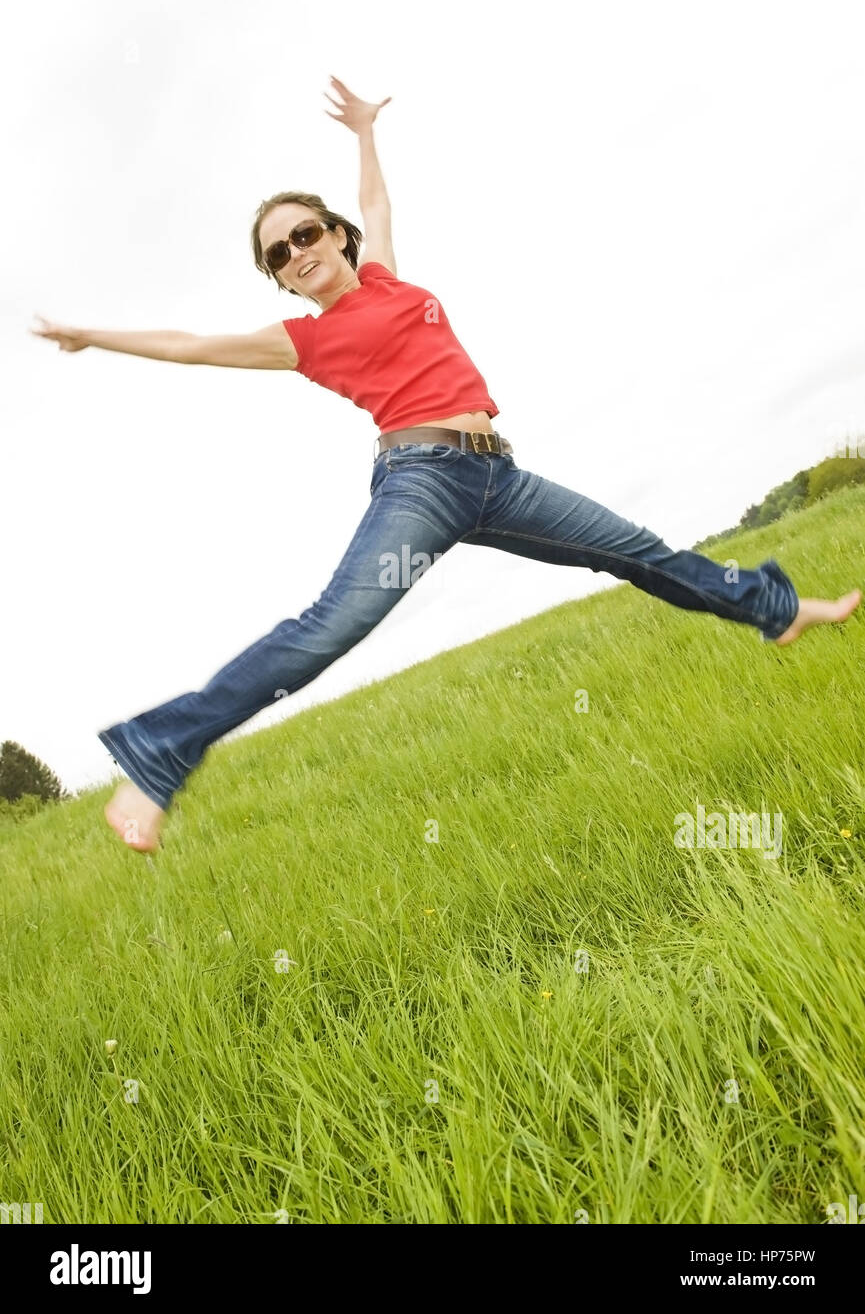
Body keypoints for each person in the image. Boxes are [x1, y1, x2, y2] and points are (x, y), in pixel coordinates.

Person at [30, 76, 861, 854]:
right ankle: (155, 762)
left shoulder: (387, 277)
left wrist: (363, 132)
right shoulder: (302, 340)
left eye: (304, 233)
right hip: (421, 483)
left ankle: (774, 610)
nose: (296, 251)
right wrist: (92, 334)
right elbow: (188, 346)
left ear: (337, 236)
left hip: (499, 478)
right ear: (281, 281)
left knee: (639, 553)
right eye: (278, 254)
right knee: (329, 628)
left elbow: (376, 200)